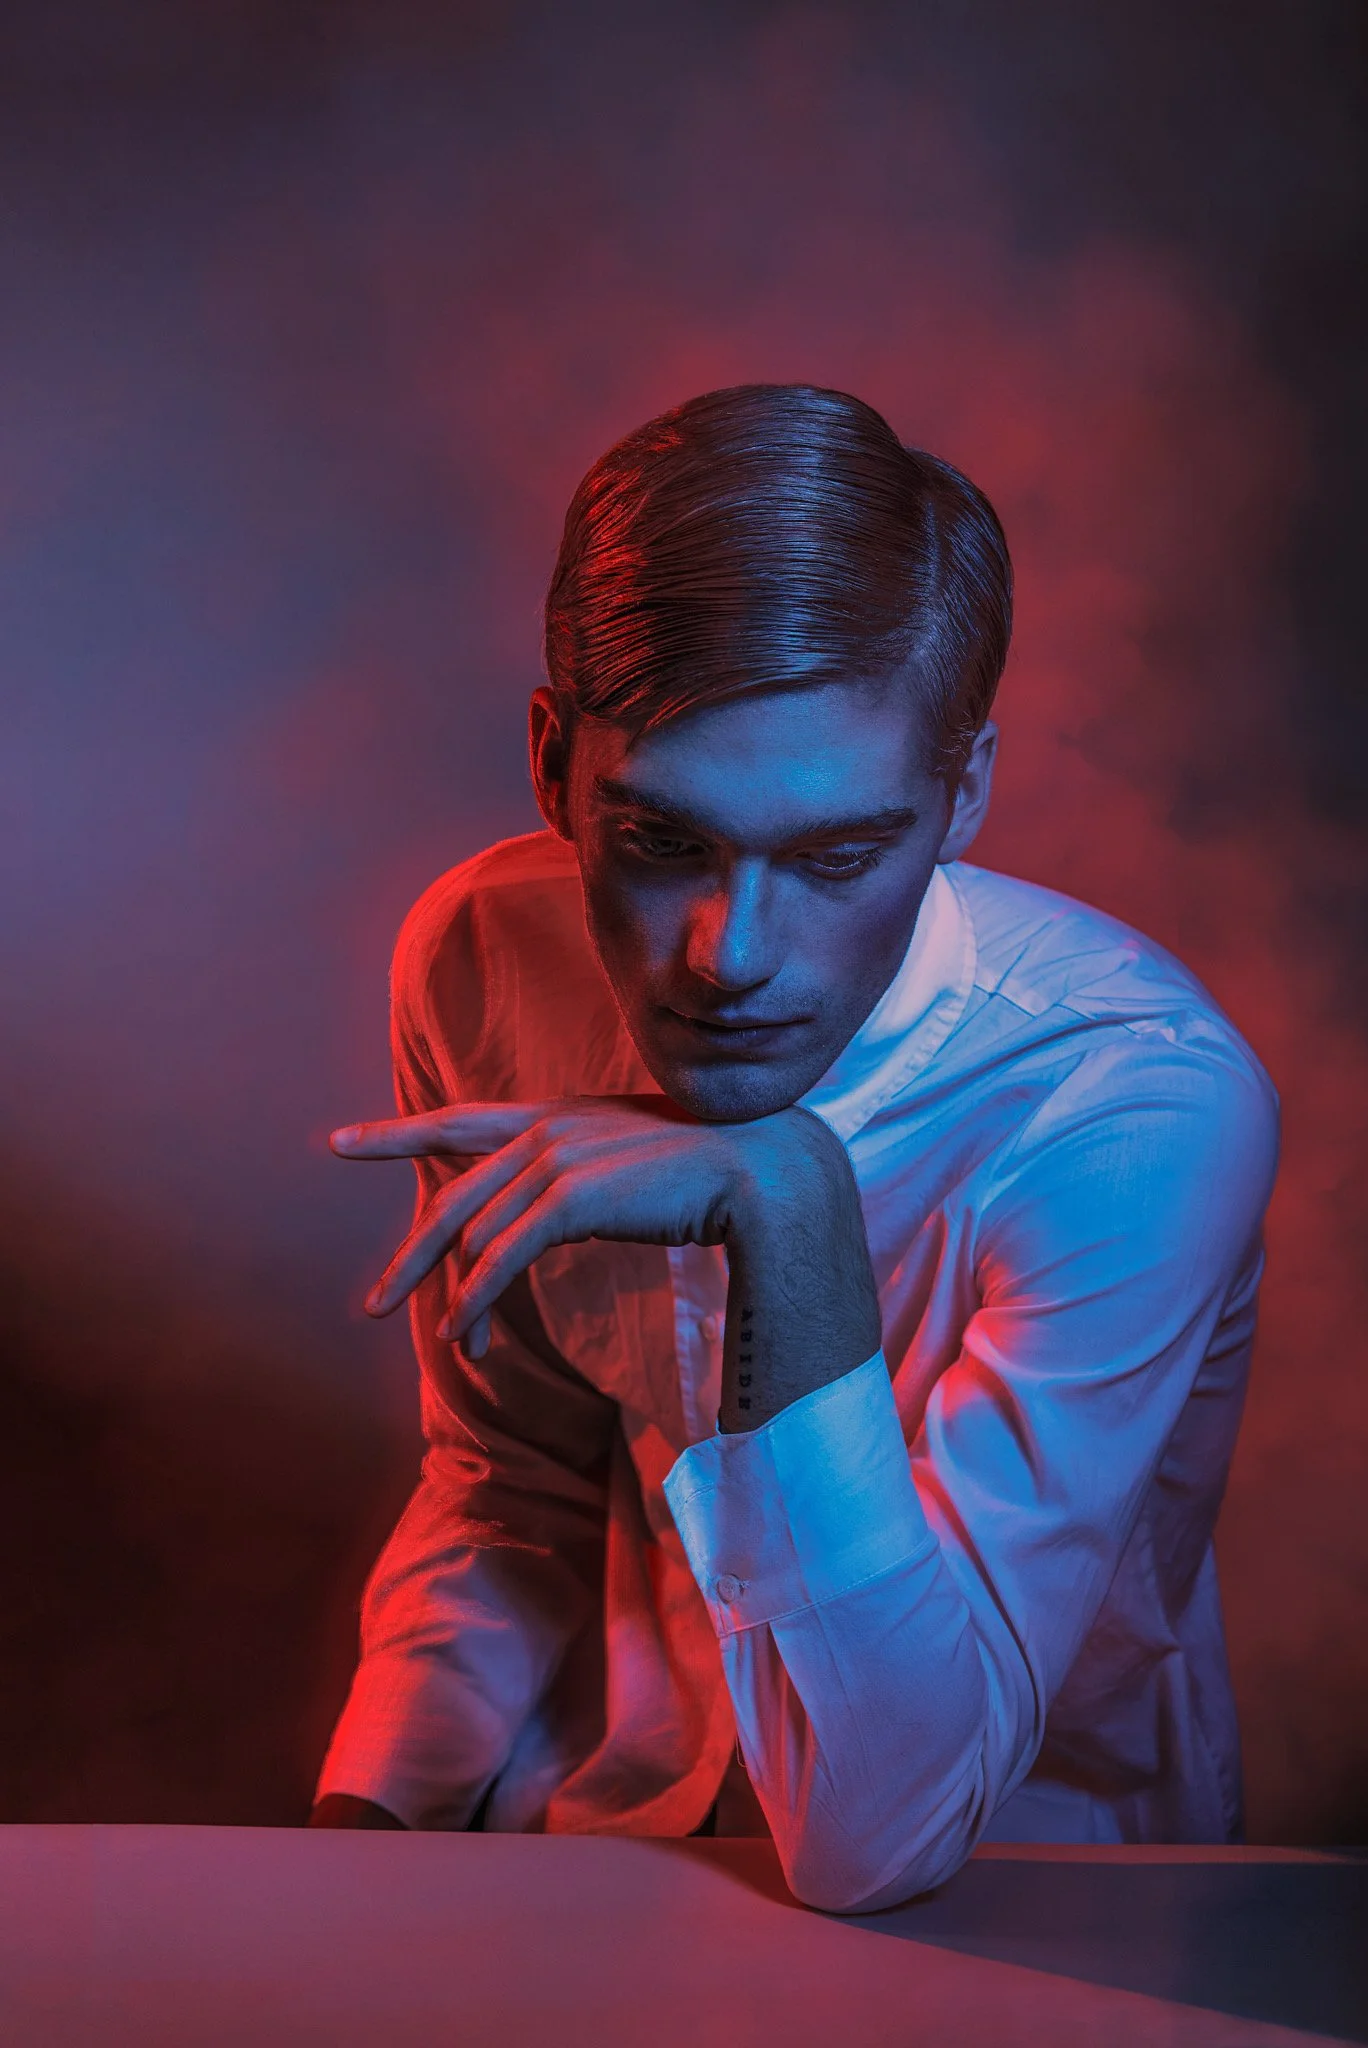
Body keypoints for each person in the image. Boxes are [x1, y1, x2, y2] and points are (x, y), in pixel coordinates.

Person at [309, 383, 1279, 1913]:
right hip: (597, 1879)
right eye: (660, 841)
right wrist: (357, 1846)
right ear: (553, 763)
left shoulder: (1131, 1106)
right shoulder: (479, 957)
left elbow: (880, 1836)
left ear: (963, 795)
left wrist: (792, 1208)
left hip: (1046, 1911)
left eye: (835, 856)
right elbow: (516, 1487)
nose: (732, 957)